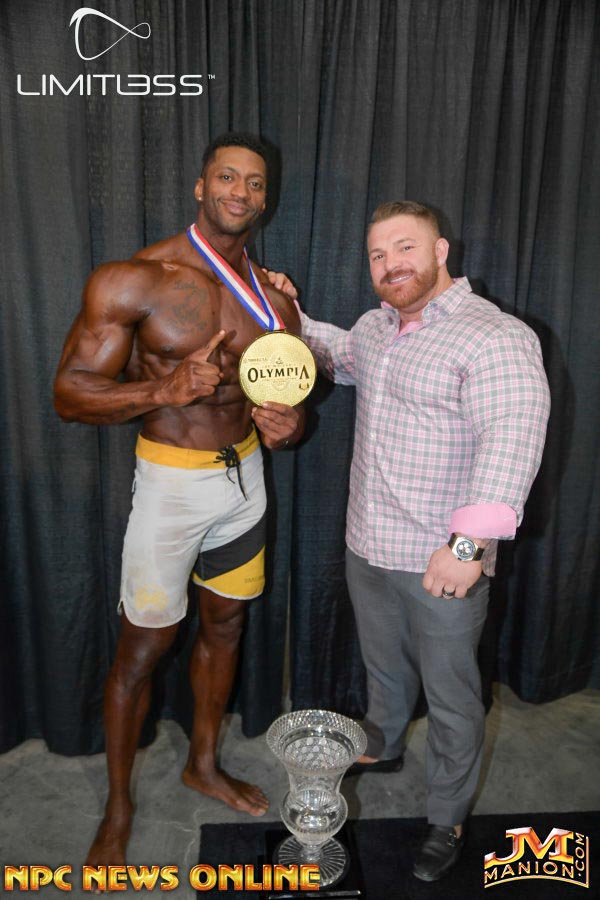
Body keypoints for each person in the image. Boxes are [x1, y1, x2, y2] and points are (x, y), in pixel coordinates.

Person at [270, 201, 550, 882]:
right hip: (368, 544)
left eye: (405, 247)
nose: (390, 264)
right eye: (377, 254)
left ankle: (446, 816)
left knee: (452, 698)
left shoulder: (493, 335)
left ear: (441, 250)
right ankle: (387, 741)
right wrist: (286, 312)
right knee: (384, 668)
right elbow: (335, 353)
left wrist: (467, 548)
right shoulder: (377, 328)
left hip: (441, 562)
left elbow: (513, 437)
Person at [54, 133, 303, 867]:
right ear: (200, 186)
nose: (239, 192)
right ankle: (118, 805)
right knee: (143, 647)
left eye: (254, 183)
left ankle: (202, 764)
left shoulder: (276, 300)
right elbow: (69, 394)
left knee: (226, 625)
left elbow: (282, 402)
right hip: (170, 484)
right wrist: (163, 388)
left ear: (265, 198)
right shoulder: (134, 280)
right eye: (226, 177)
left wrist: (288, 427)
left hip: (244, 481)